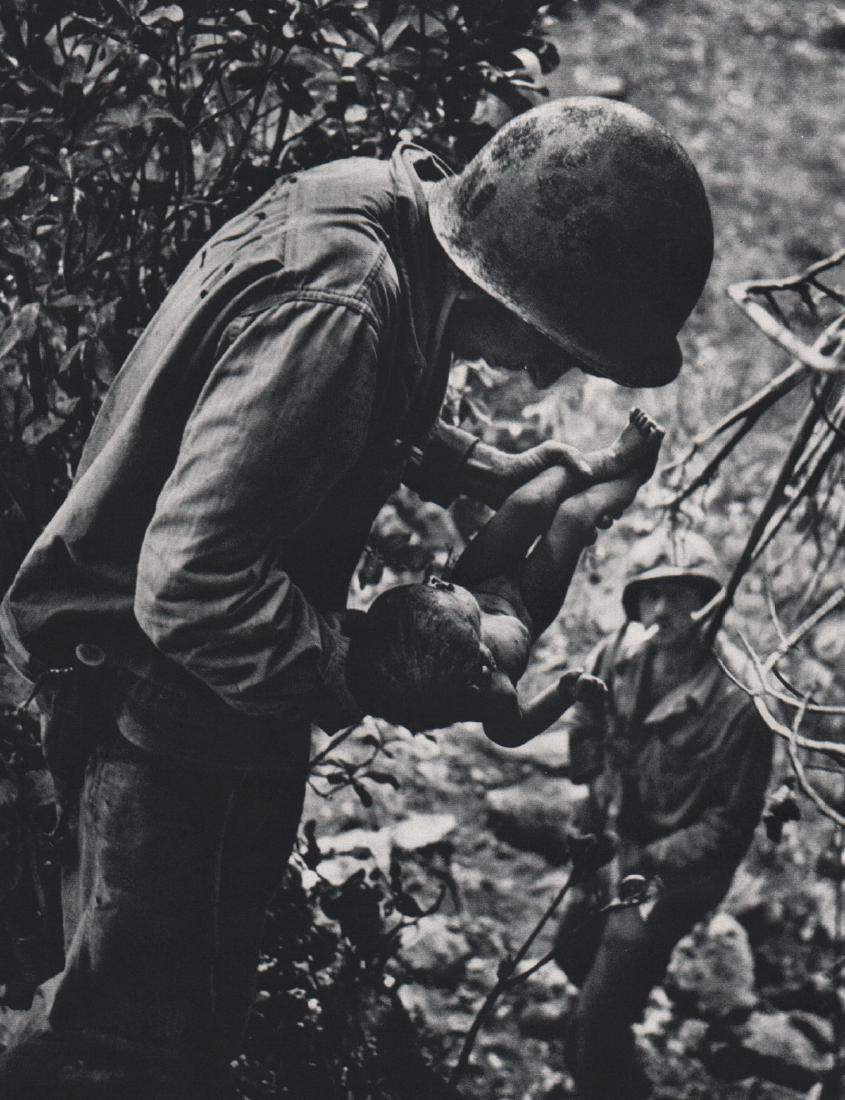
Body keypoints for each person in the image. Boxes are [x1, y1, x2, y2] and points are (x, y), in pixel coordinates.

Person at [0, 96, 713, 1097]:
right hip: (150, 695)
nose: (550, 369)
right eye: (563, 346)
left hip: (204, 688)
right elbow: (191, 585)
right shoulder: (337, 308)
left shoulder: (387, 217)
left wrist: (480, 464)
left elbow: (326, 405)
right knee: (122, 1048)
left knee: (177, 1024)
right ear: (521, 303)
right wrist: (373, 667)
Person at [551, 529, 773, 1100]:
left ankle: (604, 1062)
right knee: (572, 947)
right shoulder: (619, 657)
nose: (663, 609)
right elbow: (586, 720)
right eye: (650, 594)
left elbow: (729, 828)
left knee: (593, 1025)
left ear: (710, 602)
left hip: (678, 872)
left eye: (683, 593)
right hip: (619, 836)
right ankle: (616, 1028)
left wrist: (648, 862)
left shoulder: (740, 705)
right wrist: (593, 785)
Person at [347, 408, 663, 746]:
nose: (439, 581)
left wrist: (346, 622)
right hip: (527, 606)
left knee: (530, 501)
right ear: (480, 659)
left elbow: (361, 628)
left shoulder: (414, 642)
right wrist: (564, 692)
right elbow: (512, 732)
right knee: (574, 516)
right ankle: (635, 475)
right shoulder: (492, 690)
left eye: (435, 587)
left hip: (480, 577)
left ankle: (611, 458)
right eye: (445, 591)